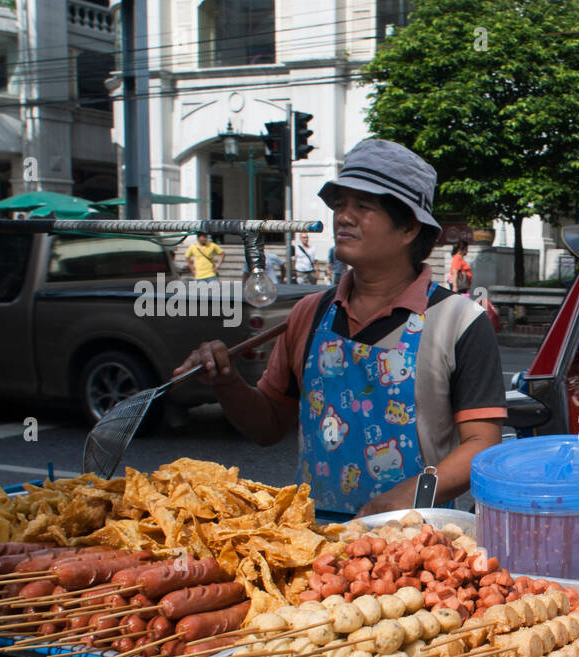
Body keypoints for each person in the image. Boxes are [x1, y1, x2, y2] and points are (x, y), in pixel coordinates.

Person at [173, 139, 507, 515]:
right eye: (340, 205)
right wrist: (227, 382)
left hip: (417, 544)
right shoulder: (311, 314)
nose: (343, 217)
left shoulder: (457, 321)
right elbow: (267, 427)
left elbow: (482, 444)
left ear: (410, 227)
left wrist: (413, 492)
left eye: (363, 207)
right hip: (313, 543)